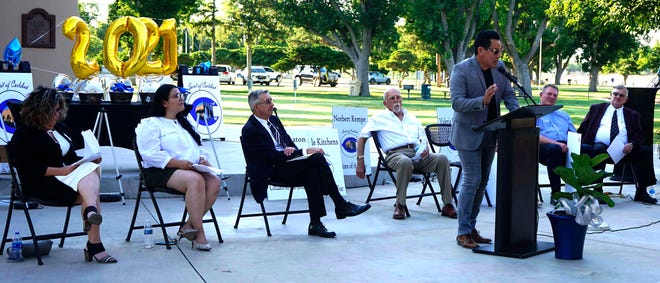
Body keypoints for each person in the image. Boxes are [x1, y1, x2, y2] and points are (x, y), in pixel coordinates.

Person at [241, 89, 371, 238]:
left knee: (313, 171)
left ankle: (316, 223)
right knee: (316, 158)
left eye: (272, 100)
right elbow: (270, 157)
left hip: (286, 164)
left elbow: (289, 144)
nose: (272, 105)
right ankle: (340, 205)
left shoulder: (274, 121)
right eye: (268, 102)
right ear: (256, 107)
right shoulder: (250, 130)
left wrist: (293, 152)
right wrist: (302, 152)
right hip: (270, 170)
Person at [10, 87, 117, 263]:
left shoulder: (60, 129)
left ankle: (91, 216)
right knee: (91, 191)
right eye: (55, 109)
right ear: (40, 110)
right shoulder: (24, 134)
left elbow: (70, 158)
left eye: (60, 109)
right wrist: (62, 171)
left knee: (91, 168)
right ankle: (93, 240)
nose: (58, 114)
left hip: (68, 179)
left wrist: (88, 160)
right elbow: (27, 168)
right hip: (42, 184)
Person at [449, 30, 520, 249]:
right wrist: (483, 100)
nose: (499, 56)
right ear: (481, 50)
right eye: (495, 51)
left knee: (481, 183)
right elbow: (457, 103)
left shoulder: (500, 69)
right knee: (472, 180)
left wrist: (518, 115)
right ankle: (462, 233)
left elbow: (509, 95)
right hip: (468, 134)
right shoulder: (461, 70)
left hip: (492, 133)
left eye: (500, 52)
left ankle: (471, 228)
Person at [135, 84, 220, 251]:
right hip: (159, 170)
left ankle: (188, 226)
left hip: (188, 169)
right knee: (195, 181)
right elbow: (149, 154)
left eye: (181, 95)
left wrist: (202, 159)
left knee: (214, 181)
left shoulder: (184, 122)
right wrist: (178, 163)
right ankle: (199, 233)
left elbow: (199, 146)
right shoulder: (151, 124)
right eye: (176, 96)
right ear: (164, 103)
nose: (181, 98)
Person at [355, 88, 457, 220]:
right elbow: (361, 138)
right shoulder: (379, 118)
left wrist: (425, 147)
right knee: (405, 162)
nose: (396, 100)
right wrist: (360, 161)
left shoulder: (411, 117)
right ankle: (400, 205)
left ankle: (448, 204)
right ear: (385, 103)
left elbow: (422, 136)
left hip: (417, 153)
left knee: (442, 158)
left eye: (398, 97)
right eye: (392, 98)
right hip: (395, 154)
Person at [577, 85, 657, 204]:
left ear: (626, 99)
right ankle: (597, 191)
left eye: (621, 95)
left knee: (645, 151)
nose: (617, 97)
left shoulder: (633, 114)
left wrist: (632, 144)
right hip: (601, 147)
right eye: (615, 94)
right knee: (598, 149)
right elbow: (583, 128)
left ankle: (642, 192)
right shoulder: (596, 109)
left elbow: (639, 135)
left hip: (624, 150)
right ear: (610, 95)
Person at [536, 84, 576, 203]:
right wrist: (557, 144)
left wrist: (575, 144)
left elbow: (573, 133)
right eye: (549, 94)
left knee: (588, 149)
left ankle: (584, 191)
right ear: (541, 95)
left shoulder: (563, 114)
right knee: (555, 149)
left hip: (565, 146)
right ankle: (556, 193)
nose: (552, 97)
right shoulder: (534, 113)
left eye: (555, 95)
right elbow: (534, 135)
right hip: (543, 147)